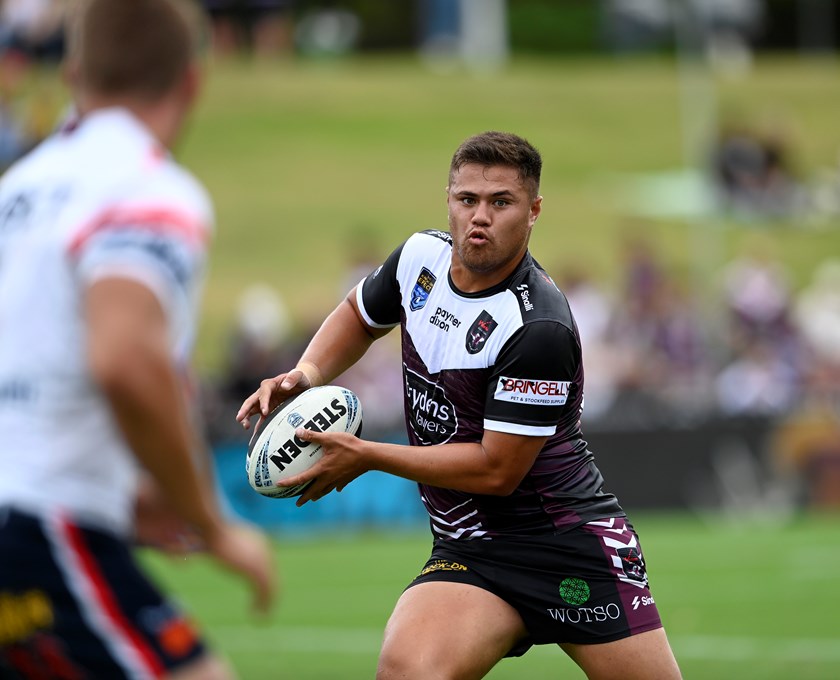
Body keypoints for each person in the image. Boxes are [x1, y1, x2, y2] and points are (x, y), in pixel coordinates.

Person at [236, 131, 682, 679]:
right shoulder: (419, 258)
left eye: (501, 202)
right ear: (447, 198)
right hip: (471, 549)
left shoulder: (537, 326)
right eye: (467, 199)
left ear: (534, 210)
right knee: (407, 671)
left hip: (564, 541)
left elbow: (497, 470)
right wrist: (305, 374)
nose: (480, 217)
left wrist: (368, 454)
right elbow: (360, 314)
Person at [0, 1, 276, 678]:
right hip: (40, 522)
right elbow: (126, 362)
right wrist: (210, 525)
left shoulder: (17, 190)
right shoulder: (148, 189)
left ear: (72, 73)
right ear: (191, 81)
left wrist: (123, 497)